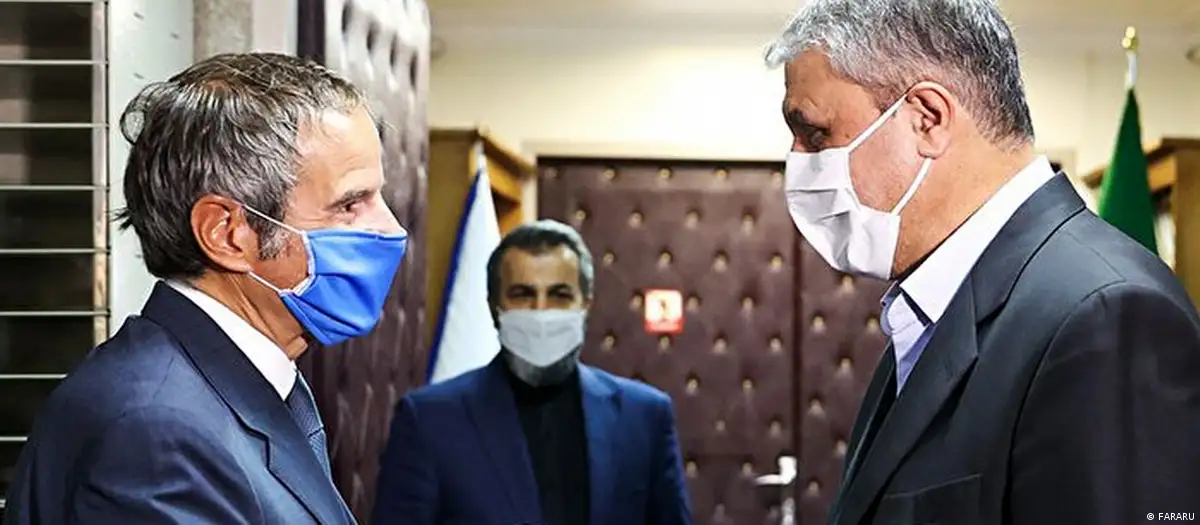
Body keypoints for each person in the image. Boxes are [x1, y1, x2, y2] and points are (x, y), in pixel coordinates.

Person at [765, 1, 1200, 524]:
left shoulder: (1104, 315)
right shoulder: (933, 310)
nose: (799, 162)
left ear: (927, 118)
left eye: (815, 134)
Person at [3, 53, 408, 524]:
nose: (391, 228)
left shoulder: (231, 381)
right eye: (351, 204)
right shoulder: (157, 433)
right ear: (226, 234)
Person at [372, 220, 692, 525]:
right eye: (523, 294)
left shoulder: (645, 417)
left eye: (559, 295)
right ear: (495, 306)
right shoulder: (430, 421)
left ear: (585, 304)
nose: (541, 311)